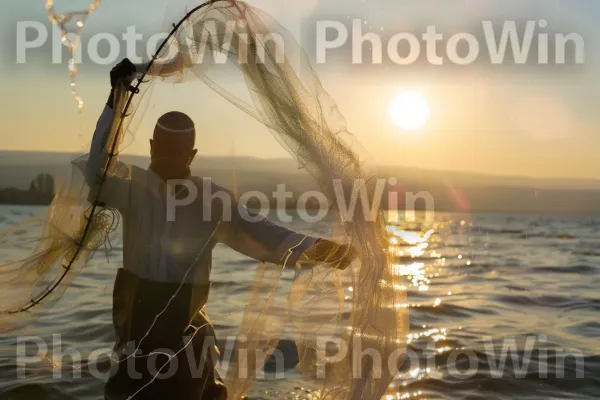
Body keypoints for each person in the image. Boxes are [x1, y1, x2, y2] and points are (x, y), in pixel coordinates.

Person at [82, 58, 356, 400]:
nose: (167, 157)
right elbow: (96, 169)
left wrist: (324, 251)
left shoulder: (211, 199)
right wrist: (117, 98)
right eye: (161, 149)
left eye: (176, 152)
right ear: (151, 147)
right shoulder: (131, 187)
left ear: (191, 154)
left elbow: (267, 234)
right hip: (136, 330)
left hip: (189, 331)